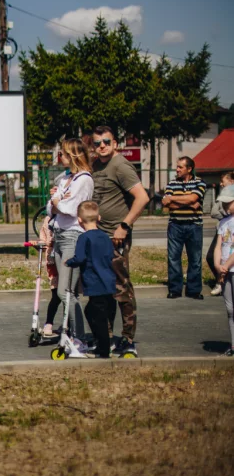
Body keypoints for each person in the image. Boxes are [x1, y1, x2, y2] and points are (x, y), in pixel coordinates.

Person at [90, 126, 149, 357]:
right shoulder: (96, 166)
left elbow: (142, 197)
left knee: (121, 289)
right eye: (97, 143)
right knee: (102, 291)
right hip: (98, 237)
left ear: (115, 142)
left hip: (116, 238)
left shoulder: (121, 165)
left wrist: (124, 226)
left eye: (106, 141)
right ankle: (106, 338)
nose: (102, 146)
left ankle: (127, 338)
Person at [40, 139, 94, 339]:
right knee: (66, 291)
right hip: (59, 235)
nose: (59, 157)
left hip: (73, 236)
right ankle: (71, 334)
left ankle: (79, 336)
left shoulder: (84, 179)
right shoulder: (65, 179)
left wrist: (57, 200)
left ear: (73, 155)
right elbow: (50, 208)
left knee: (65, 292)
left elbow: (69, 209)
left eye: (62, 153)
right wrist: (57, 200)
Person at [65, 201, 118, 359]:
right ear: (99, 217)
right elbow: (110, 256)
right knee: (93, 312)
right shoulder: (105, 237)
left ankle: (103, 350)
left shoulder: (84, 238)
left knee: (98, 317)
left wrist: (69, 262)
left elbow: (80, 258)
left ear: (79, 220)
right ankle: (101, 342)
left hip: (95, 282)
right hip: (108, 281)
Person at [162, 156, 206, 300]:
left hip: (194, 225)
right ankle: (175, 289)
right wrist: (188, 202)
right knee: (174, 258)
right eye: (177, 166)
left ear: (189, 169)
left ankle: (193, 290)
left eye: (180, 167)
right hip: (175, 225)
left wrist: (174, 199)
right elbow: (166, 204)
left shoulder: (199, 182)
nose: (177, 169)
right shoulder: (172, 183)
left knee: (195, 259)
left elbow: (193, 199)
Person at [212, 185, 234, 357]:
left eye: (229, 203)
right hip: (225, 270)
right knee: (230, 310)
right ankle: (233, 345)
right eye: (224, 204)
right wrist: (218, 266)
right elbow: (218, 246)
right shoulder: (223, 222)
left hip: (231, 268)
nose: (226, 207)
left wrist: (226, 265)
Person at [207, 172, 234, 296]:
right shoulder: (224, 222)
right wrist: (220, 267)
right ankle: (220, 278)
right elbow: (214, 211)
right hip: (223, 230)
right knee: (212, 255)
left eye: (224, 181)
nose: (221, 184)